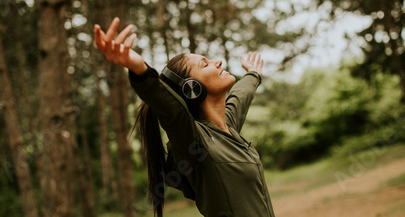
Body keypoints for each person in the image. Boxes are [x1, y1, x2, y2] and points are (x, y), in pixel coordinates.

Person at [94, 17, 275, 217]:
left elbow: (240, 96)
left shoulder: (226, 129)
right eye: (205, 64)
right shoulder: (196, 141)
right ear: (192, 88)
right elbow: (170, 109)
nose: (218, 62)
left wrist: (253, 74)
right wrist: (140, 70)